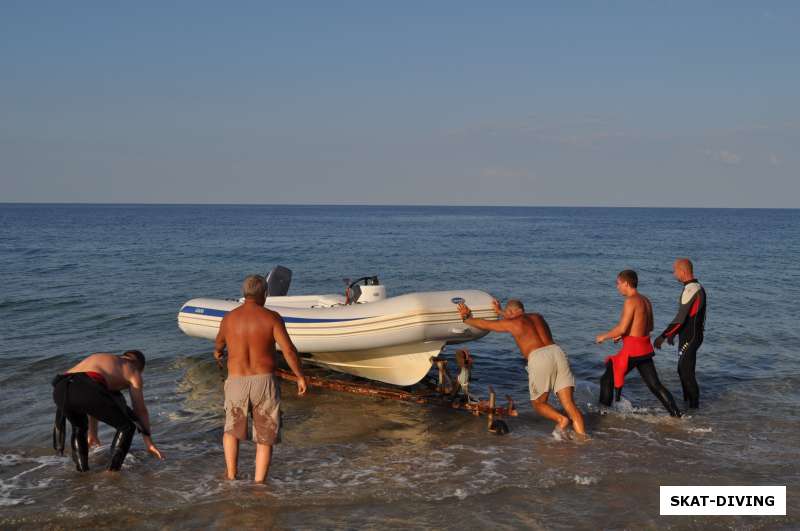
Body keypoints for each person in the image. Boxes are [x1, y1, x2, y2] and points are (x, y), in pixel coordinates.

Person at [214, 274, 308, 483]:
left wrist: (218, 352)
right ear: (264, 294)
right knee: (265, 436)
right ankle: (259, 484)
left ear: (244, 294)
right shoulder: (271, 317)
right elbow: (289, 350)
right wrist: (299, 376)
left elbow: (219, 343)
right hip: (264, 381)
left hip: (236, 381)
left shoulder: (229, 318)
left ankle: (231, 476)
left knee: (231, 430)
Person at [456, 299, 587, 438]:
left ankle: (561, 420)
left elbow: (486, 325)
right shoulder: (537, 316)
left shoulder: (513, 323)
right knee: (569, 403)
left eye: (506, 313)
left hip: (539, 357)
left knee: (538, 403)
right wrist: (500, 312)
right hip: (557, 352)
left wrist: (467, 318)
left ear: (511, 312)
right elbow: (517, 318)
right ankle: (583, 439)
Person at [51, 350, 164, 472]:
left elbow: (93, 399)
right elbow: (139, 409)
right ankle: (111, 472)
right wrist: (149, 443)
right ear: (140, 366)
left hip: (60, 389)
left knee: (79, 428)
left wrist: (92, 433)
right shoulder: (133, 369)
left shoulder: (103, 358)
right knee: (127, 428)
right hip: (86, 388)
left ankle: (82, 473)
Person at [596, 270, 681, 417]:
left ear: (626, 283)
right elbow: (649, 327)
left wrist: (605, 336)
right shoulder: (645, 300)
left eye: (618, 283)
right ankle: (676, 415)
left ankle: (602, 416)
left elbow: (622, 328)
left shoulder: (630, 301)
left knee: (606, 380)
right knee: (655, 385)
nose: (617, 287)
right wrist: (624, 336)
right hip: (644, 349)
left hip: (633, 351)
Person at [654, 258, 706, 409]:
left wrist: (662, 336)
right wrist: (674, 334)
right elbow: (688, 317)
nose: (673, 274)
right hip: (690, 335)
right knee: (683, 370)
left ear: (683, 271)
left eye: (674, 271)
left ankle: (694, 408)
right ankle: (688, 404)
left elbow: (680, 318)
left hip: (691, 337)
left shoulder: (691, 290)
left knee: (686, 372)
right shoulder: (696, 287)